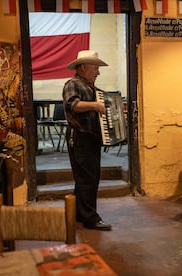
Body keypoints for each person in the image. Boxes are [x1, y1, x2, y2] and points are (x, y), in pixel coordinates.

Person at [62, 50, 112, 231]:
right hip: (80, 137)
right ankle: (91, 218)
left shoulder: (92, 88)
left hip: (91, 138)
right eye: (95, 68)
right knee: (88, 179)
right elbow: (72, 105)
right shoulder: (72, 84)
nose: (98, 72)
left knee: (85, 178)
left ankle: (78, 213)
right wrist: (96, 105)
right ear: (83, 67)